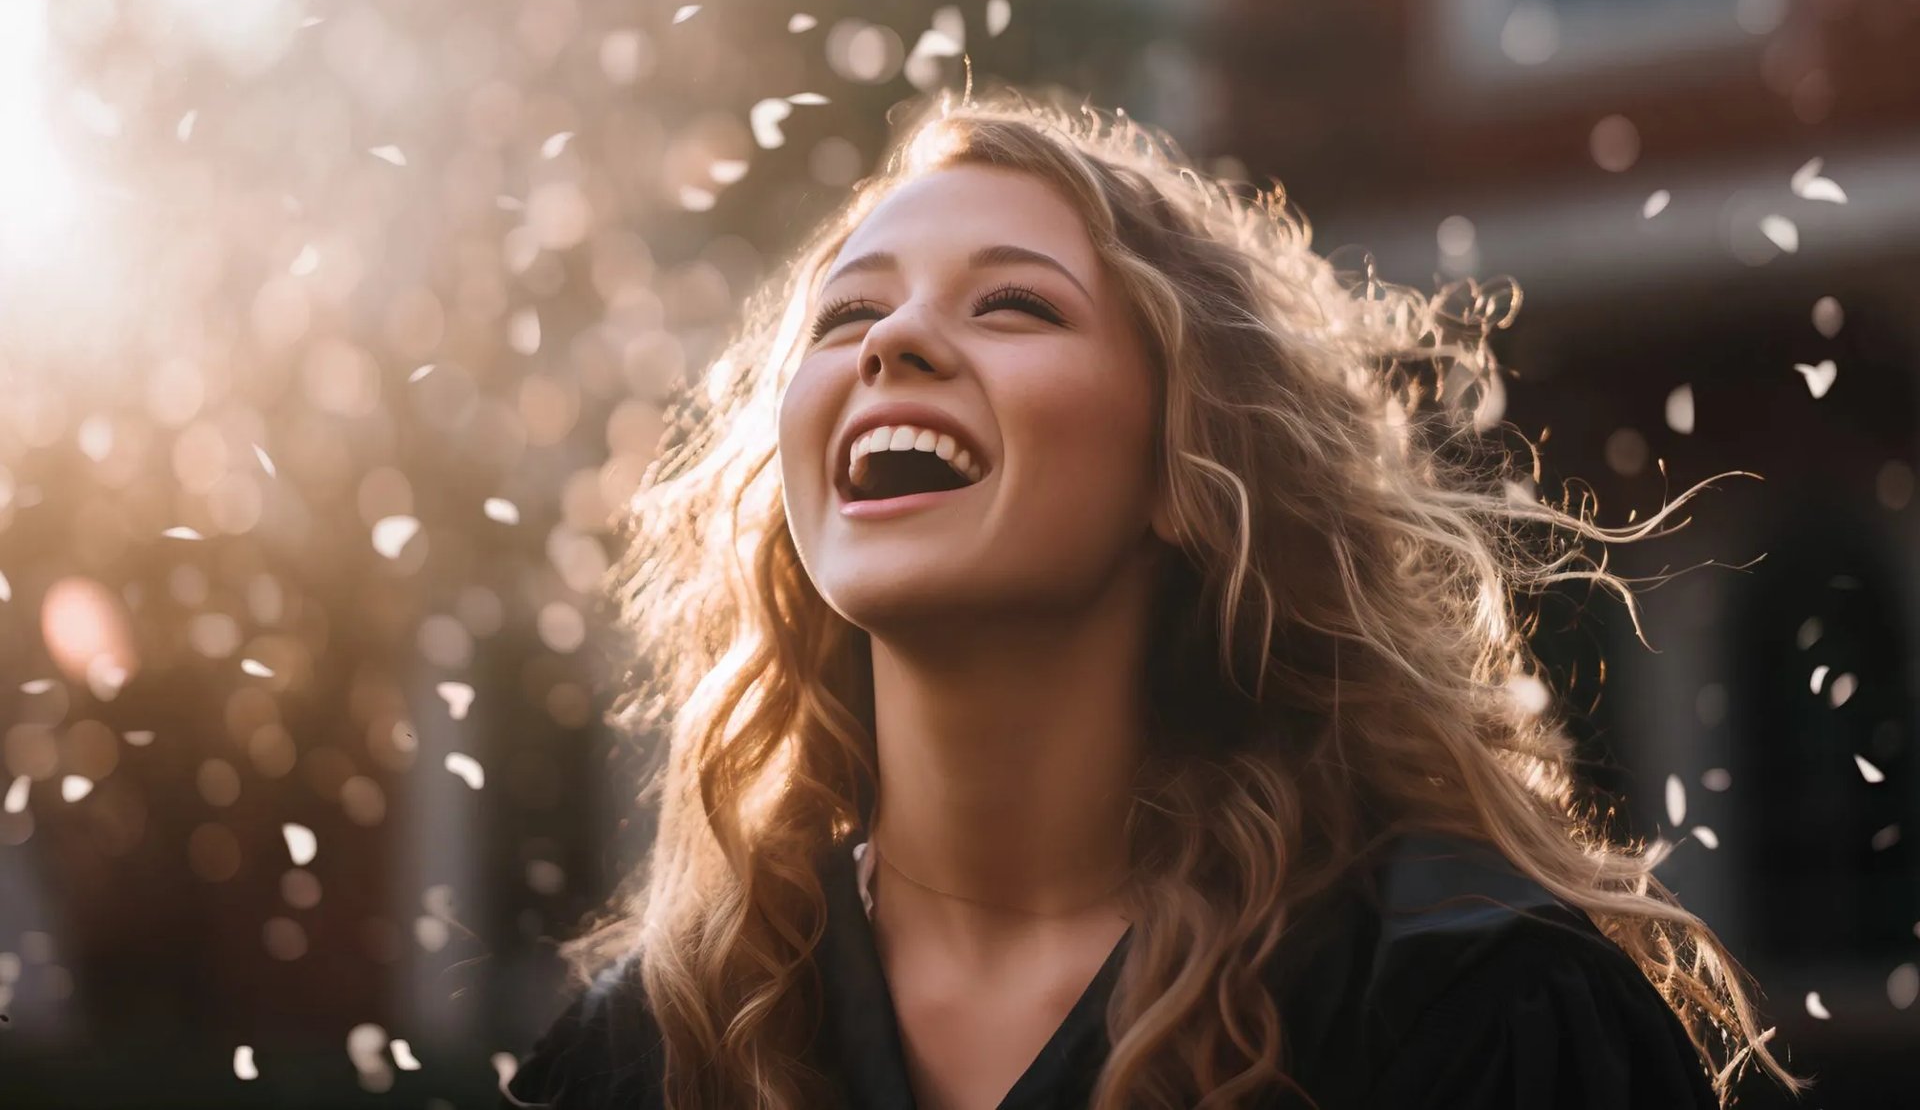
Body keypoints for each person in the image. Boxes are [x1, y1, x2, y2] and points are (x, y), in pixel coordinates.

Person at [500, 85, 1805, 1109]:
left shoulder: (1462, 1006)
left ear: (1190, 465)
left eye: (1015, 306)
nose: (891, 343)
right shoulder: (654, 1053)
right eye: (846, 317)